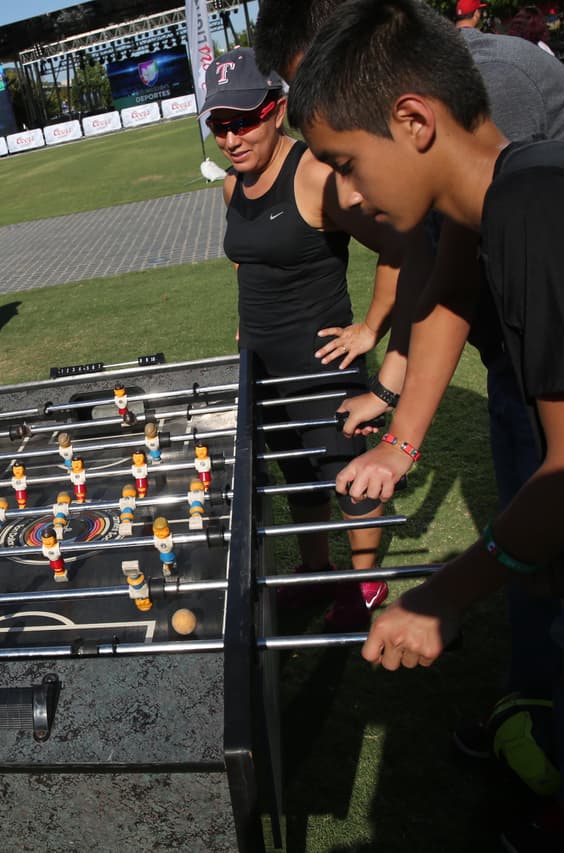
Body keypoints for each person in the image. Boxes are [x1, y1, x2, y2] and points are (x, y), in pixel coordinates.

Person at [287, 4, 564, 852]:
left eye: (346, 165)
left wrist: (445, 593)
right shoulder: (500, 199)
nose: (346, 198)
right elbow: (449, 298)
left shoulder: (536, 204)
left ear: (413, 120)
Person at [204, 47, 403, 630]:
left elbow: (398, 247)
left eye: (244, 120)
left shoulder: (315, 176)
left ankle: (364, 584)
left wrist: (370, 328)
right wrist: (248, 319)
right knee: (297, 470)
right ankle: (319, 574)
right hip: (262, 362)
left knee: (352, 476)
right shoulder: (230, 189)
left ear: (278, 110)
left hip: (322, 362)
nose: (232, 138)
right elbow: (247, 260)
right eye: (220, 125)